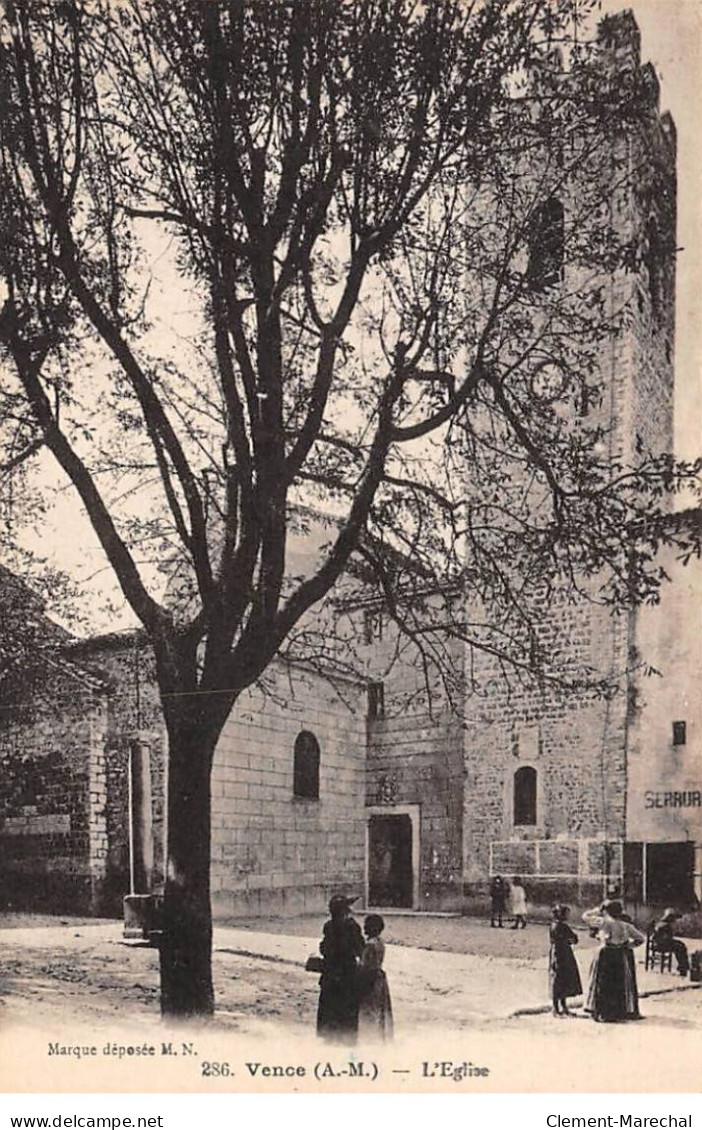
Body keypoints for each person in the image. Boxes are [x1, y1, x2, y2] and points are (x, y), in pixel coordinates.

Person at [582, 900, 645, 1022]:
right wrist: (629, 946)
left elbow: (585, 916)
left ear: (607, 911)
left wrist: (598, 910)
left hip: (605, 953)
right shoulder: (626, 925)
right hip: (619, 954)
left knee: (603, 983)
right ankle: (618, 1011)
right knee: (618, 983)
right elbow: (641, 938)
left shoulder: (604, 922)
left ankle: (603, 1013)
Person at [316, 894, 365, 1042]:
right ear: (345, 911)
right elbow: (360, 949)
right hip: (347, 974)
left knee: (330, 1007)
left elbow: (324, 948)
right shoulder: (352, 927)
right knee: (347, 1008)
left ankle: (330, 1038)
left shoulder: (328, 926)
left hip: (330, 973)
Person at [358, 914, 393, 1042]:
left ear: (372, 928)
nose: (364, 927)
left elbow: (365, 965)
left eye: (367, 925)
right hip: (379, 979)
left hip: (369, 978)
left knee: (368, 1009)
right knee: (378, 1008)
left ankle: (368, 1037)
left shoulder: (369, 945)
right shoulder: (380, 942)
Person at [548, 905, 582, 1016]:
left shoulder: (554, 925)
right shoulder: (562, 926)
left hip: (558, 952)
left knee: (559, 979)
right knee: (561, 979)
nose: (568, 916)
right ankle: (558, 1008)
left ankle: (559, 1007)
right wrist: (571, 939)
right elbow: (574, 938)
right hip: (563, 953)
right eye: (566, 914)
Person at [652, 909, 689, 976]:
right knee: (680, 947)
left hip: (657, 944)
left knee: (680, 945)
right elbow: (668, 938)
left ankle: (683, 967)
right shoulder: (666, 926)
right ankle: (683, 968)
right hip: (662, 946)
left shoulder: (660, 923)